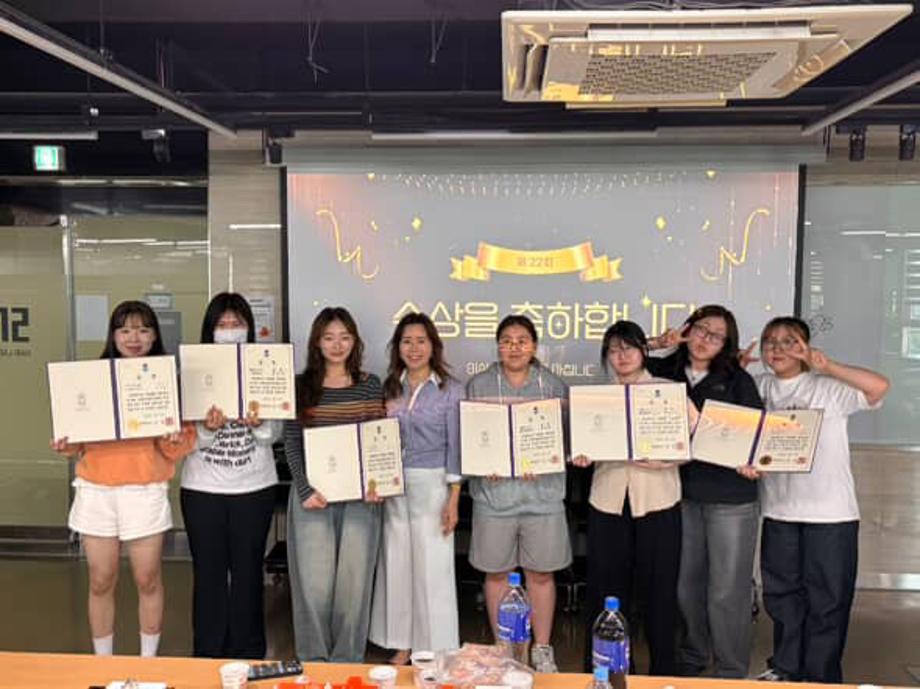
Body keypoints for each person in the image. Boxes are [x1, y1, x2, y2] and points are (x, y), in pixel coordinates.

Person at [743, 317, 889, 683]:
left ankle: (821, 677)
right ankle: (786, 668)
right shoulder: (758, 387)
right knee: (782, 596)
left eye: (789, 341)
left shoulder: (827, 387)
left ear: (805, 348)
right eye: (770, 341)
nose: (777, 348)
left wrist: (828, 365)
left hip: (830, 514)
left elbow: (879, 387)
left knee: (828, 600)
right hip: (779, 510)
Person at [51, 300, 195, 657]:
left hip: (144, 491)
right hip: (96, 491)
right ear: (113, 335)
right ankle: (104, 664)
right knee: (101, 580)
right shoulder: (92, 378)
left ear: (155, 336)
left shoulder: (165, 381)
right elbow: (77, 440)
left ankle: (148, 664)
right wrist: (67, 444)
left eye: (143, 330)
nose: (134, 338)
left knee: (147, 578)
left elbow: (177, 447)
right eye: (126, 330)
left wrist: (174, 437)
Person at [574, 321, 696, 675]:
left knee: (659, 591)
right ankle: (605, 671)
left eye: (628, 348)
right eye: (613, 350)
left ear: (644, 351)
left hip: (657, 502)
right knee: (605, 590)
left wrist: (665, 460)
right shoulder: (597, 398)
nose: (621, 356)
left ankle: (663, 673)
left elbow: (698, 437)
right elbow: (583, 444)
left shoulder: (668, 391)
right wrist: (581, 455)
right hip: (608, 502)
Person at [647, 304, 762, 678]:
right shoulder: (662, 372)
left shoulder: (737, 380)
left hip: (730, 497)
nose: (705, 339)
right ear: (686, 329)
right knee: (685, 585)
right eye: (700, 329)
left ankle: (730, 667)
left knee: (727, 590)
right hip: (681, 495)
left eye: (716, 336)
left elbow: (754, 434)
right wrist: (657, 344)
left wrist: (751, 458)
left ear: (726, 344)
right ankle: (695, 654)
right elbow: (620, 360)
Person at [180, 292, 282, 658]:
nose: (229, 330)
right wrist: (207, 429)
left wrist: (259, 424)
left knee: (248, 572)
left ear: (249, 328)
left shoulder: (266, 366)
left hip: (254, 486)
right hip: (202, 488)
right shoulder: (192, 370)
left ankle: (249, 651)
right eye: (221, 324)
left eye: (236, 323)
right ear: (210, 330)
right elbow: (185, 440)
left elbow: (275, 434)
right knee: (208, 573)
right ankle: (207, 651)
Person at [465, 314, 570, 673]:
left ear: (534, 346)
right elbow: (470, 440)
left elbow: (567, 441)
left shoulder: (553, 386)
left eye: (522, 340)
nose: (514, 347)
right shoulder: (479, 385)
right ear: (498, 346)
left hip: (542, 496)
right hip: (494, 497)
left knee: (540, 575)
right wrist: (483, 462)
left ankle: (541, 648)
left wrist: (548, 457)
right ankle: (504, 647)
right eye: (507, 341)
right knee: (497, 574)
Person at [284, 306, 385, 662]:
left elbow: (378, 440)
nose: (337, 344)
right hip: (313, 497)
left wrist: (378, 483)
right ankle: (314, 660)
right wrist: (304, 489)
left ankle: (346, 661)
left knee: (353, 585)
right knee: (314, 585)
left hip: (361, 499)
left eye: (344, 337)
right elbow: (291, 441)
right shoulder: (301, 386)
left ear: (355, 341)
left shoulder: (370, 383)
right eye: (328, 337)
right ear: (317, 342)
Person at [370, 313, 463, 663]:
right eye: (406, 341)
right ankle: (401, 643)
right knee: (397, 563)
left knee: (433, 567)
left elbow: (457, 446)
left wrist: (454, 498)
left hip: (434, 485)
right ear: (398, 347)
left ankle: (433, 648)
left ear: (433, 346)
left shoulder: (450, 390)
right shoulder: (390, 388)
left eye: (421, 341)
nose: (414, 348)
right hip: (394, 487)